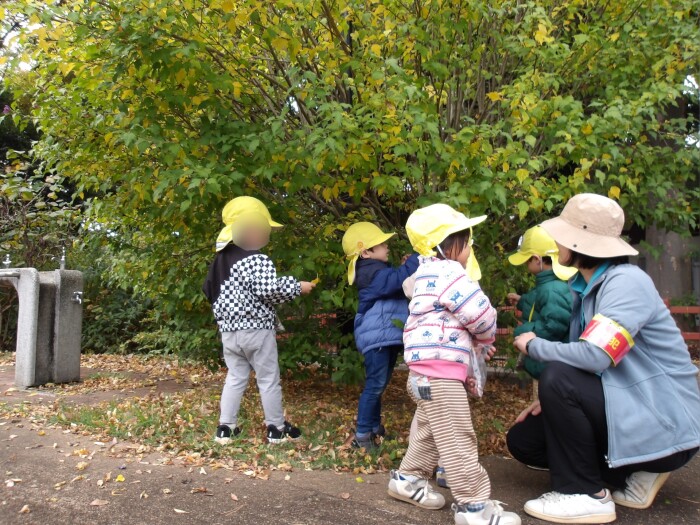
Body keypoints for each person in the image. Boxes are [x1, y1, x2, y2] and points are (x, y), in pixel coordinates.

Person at [508, 193, 700, 524]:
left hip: (662, 419)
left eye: (562, 235)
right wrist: (555, 401)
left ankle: (586, 494)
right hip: (625, 407)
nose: (557, 243)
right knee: (525, 440)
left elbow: (596, 355)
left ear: (580, 242)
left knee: (558, 376)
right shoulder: (584, 289)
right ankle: (632, 473)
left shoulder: (627, 283)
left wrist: (534, 345)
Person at [388, 203, 522, 525]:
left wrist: (473, 346)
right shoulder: (450, 272)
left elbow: (446, 324)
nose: (470, 247)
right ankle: (474, 506)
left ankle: (408, 479)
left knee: (430, 432)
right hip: (440, 377)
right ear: (448, 245)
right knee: (458, 437)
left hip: (422, 374)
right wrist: (486, 336)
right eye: (467, 240)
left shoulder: (423, 275)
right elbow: (480, 313)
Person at [202, 196, 316, 445]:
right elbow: (268, 289)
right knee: (268, 379)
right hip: (256, 329)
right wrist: (298, 287)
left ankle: (225, 428)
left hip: (229, 332)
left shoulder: (219, 261)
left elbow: (208, 290)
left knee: (235, 377)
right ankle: (276, 428)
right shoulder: (256, 258)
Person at [342, 222, 419, 450]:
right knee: (375, 385)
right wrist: (419, 255)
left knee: (378, 384)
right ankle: (362, 434)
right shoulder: (369, 273)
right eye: (382, 244)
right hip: (377, 339)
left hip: (385, 337)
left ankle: (374, 428)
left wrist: (404, 267)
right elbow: (395, 280)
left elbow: (395, 280)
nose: (387, 247)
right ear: (366, 252)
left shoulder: (376, 271)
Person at [507, 225, 576, 379]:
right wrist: (522, 300)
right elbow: (539, 301)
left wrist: (522, 331)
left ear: (537, 260)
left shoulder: (552, 289)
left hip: (550, 368)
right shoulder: (549, 284)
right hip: (547, 365)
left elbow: (553, 326)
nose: (525, 265)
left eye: (527, 260)